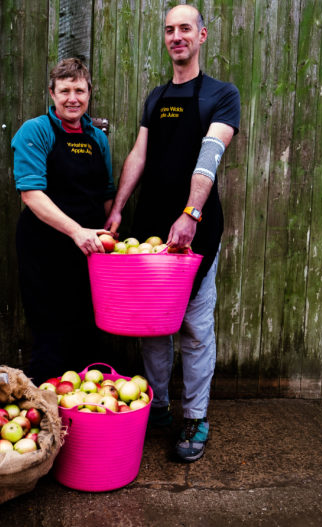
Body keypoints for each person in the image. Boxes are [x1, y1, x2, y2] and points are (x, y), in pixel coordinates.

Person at [105, 5, 241, 462]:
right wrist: (119, 209)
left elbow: (210, 153)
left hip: (196, 228)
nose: (176, 36)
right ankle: (159, 407)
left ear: (201, 36)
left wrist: (191, 213)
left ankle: (195, 416)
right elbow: (139, 155)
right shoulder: (155, 96)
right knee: (153, 329)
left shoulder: (222, 95)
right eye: (169, 30)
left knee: (196, 328)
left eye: (185, 28)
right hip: (147, 231)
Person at [12, 58, 116, 386]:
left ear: (89, 94)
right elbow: (31, 194)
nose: (73, 98)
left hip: (89, 253)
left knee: (89, 331)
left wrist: (111, 234)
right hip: (44, 250)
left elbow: (106, 193)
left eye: (80, 90)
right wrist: (76, 231)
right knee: (50, 334)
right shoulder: (36, 131)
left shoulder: (97, 138)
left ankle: (88, 419)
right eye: (65, 90)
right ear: (52, 93)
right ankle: (46, 418)